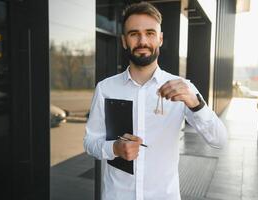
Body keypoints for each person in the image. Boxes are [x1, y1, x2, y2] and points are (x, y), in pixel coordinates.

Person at [84, 2, 227, 200]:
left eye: (150, 33)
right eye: (134, 34)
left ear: (160, 39)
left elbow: (219, 141)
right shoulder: (106, 88)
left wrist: (196, 104)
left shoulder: (183, 88)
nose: (143, 41)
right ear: (124, 41)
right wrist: (114, 148)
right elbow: (90, 141)